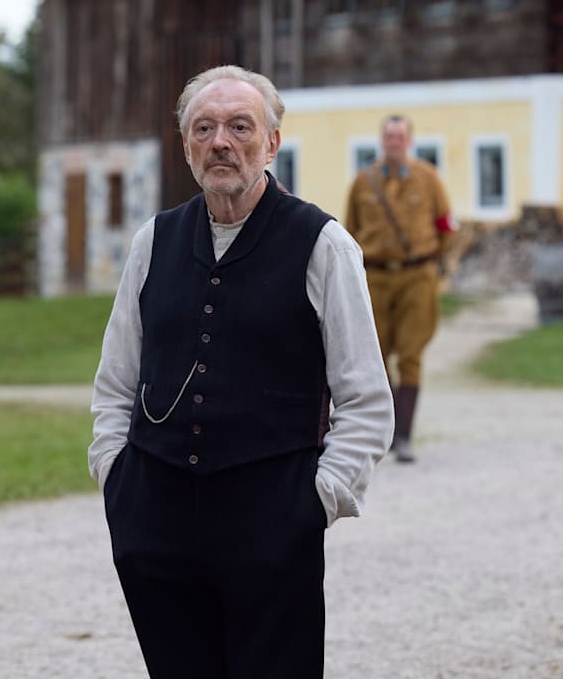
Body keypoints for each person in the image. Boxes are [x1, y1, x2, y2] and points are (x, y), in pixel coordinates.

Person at [88, 65, 394, 679]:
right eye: (204, 128)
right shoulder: (154, 240)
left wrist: (314, 502)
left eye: (238, 126)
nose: (220, 142)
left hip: (273, 525)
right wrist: (117, 480)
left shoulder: (323, 245)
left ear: (272, 143)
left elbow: (365, 401)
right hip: (155, 519)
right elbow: (116, 382)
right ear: (186, 146)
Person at [343, 115, 456, 464]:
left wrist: (441, 267)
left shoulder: (428, 178)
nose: (394, 142)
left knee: (410, 354)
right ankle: (386, 433)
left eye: (400, 137)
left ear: (410, 141)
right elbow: (349, 233)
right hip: (375, 277)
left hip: (416, 276)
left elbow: (445, 226)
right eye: (389, 136)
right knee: (375, 357)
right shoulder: (363, 183)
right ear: (381, 141)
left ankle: (404, 436)